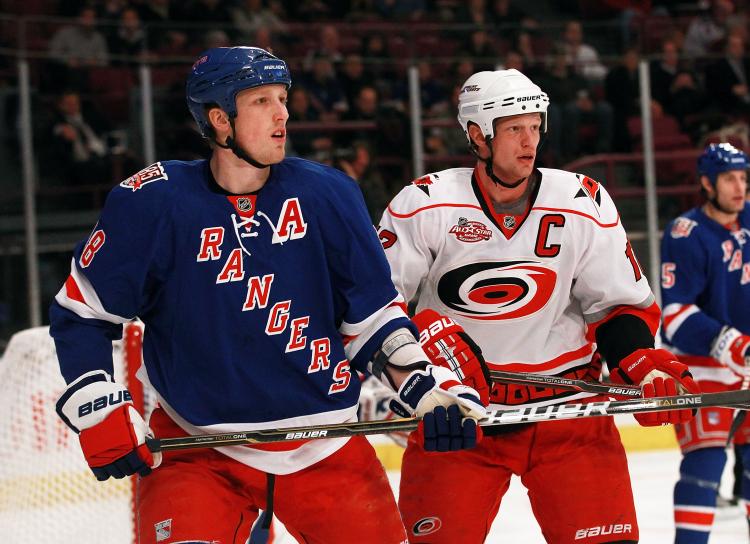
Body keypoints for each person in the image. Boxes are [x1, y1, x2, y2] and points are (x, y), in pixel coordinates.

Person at [49, 46, 484, 544]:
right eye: (261, 101)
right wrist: (98, 407)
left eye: (283, 98)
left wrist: (423, 386)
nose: (283, 113)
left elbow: (371, 318)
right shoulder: (152, 203)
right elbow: (81, 312)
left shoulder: (328, 194)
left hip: (325, 444)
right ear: (220, 120)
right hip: (199, 451)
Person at [377, 68, 700, 543]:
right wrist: (421, 361)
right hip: (462, 415)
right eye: (513, 130)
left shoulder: (582, 200)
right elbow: (375, 310)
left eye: (534, 126)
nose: (529, 141)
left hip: (569, 413)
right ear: (477, 136)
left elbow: (618, 306)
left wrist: (639, 363)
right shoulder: (423, 204)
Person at [660, 142, 750, 543]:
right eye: (729, 178)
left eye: (744, 177)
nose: (739, 186)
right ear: (707, 183)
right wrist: (730, 343)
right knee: (705, 464)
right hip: (704, 368)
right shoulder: (686, 233)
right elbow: (675, 315)